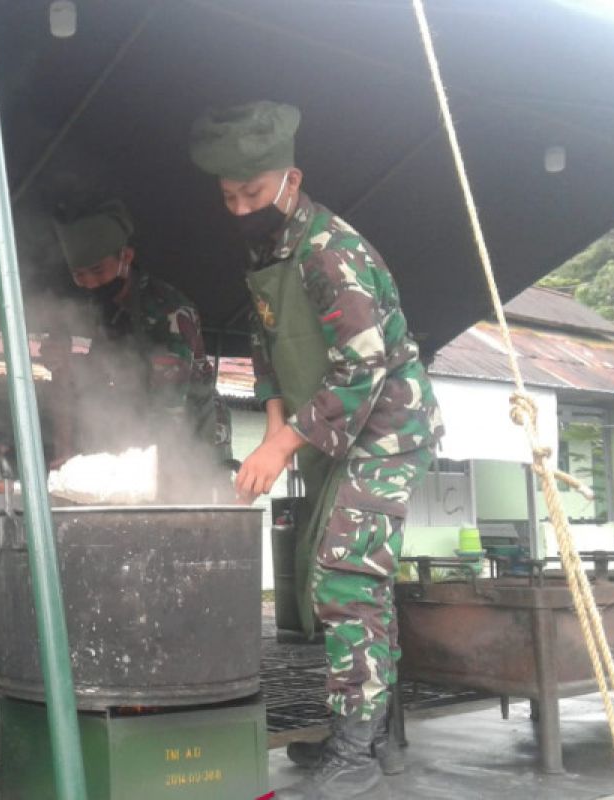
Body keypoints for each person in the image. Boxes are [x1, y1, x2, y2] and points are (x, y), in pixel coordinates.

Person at [189, 100, 444, 799]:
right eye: (228, 197)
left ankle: (357, 750)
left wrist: (286, 444)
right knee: (341, 573)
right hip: (338, 429)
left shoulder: (332, 250)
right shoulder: (267, 251)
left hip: (388, 426)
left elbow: (364, 366)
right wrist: (274, 431)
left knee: (344, 572)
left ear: (291, 180)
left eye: (251, 193)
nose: (240, 209)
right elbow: (269, 349)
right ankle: (375, 739)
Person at [44, 199, 232, 479]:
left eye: (98, 271)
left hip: (192, 439)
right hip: (137, 441)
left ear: (126, 257)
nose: (91, 283)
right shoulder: (107, 312)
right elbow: (107, 373)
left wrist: (116, 463)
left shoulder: (168, 310)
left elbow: (169, 408)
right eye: (79, 276)